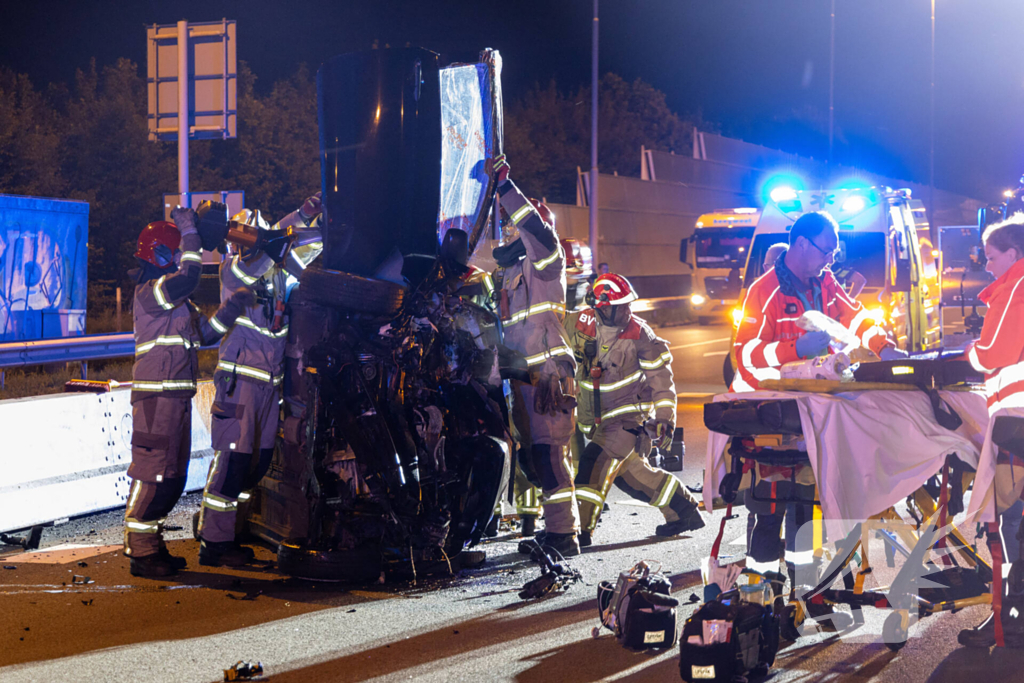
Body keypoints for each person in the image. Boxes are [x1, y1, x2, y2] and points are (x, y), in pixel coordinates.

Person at [732, 211, 901, 632]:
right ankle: (758, 610)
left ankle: (808, 601)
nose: (830, 258)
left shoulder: (824, 283)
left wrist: (884, 347)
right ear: (802, 245)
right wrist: (794, 347)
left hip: (812, 421)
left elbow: (856, 316)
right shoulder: (764, 291)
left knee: (807, 518)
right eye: (826, 249)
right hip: (772, 423)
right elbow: (746, 357)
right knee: (769, 516)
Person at [124, 208, 253, 578]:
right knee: (153, 474)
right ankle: (141, 550)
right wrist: (189, 231)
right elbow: (192, 276)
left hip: (174, 398)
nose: (183, 257)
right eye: (177, 252)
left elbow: (205, 337)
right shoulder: (154, 292)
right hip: (155, 399)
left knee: (171, 476)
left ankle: (151, 547)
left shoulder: (177, 302)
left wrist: (232, 308)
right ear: (161, 255)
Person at [197, 196, 323, 567]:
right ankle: (214, 542)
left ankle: (235, 531)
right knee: (232, 462)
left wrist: (308, 217)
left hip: (270, 384)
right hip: (240, 381)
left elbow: (302, 257)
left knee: (259, 463)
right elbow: (269, 252)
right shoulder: (232, 271)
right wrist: (283, 236)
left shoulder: (280, 268)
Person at [567, 273, 705, 546]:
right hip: (594, 421)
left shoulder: (641, 336)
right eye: (623, 305)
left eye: (630, 304)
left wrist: (665, 418)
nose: (629, 310)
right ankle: (684, 511)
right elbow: (554, 340)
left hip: (626, 419)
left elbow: (662, 384)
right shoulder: (579, 323)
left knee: (592, 468)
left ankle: (575, 533)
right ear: (603, 307)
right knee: (633, 477)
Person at [490, 154, 581, 555]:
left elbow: (534, 227)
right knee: (534, 459)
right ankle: (556, 528)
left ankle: (565, 535)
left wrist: (506, 189)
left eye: (513, 226)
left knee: (548, 455)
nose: (510, 232)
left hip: (547, 375)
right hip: (523, 378)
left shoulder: (547, 260)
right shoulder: (510, 275)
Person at [958, 214, 1024, 648]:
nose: (987, 265)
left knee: (1009, 517)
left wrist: (971, 353)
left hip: (1018, 421)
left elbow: (997, 350)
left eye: (992, 257)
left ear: (1013, 255)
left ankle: (1011, 612)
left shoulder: (1016, 287)